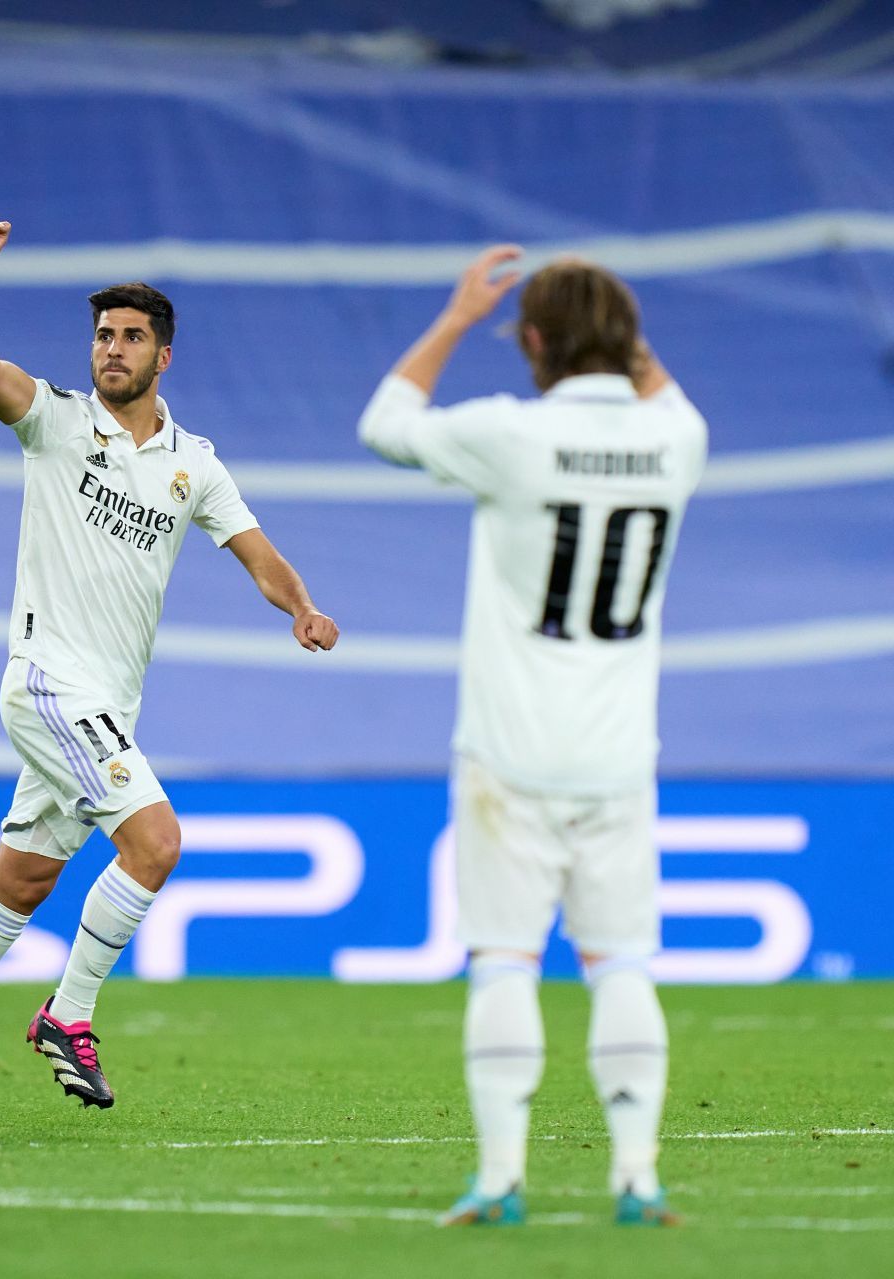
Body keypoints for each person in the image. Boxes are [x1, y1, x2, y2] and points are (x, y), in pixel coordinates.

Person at [0, 216, 340, 1124]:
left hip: (105, 705)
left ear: (164, 357)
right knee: (157, 843)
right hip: (47, 683)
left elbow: (257, 553)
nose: (110, 349)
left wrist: (301, 606)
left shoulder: (191, 464)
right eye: (102, 335)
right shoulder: (56, 422)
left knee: (25, 880)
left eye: (129, 337)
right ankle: (68, 1015)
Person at [358, 247, 706, 1227]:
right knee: (622, 963)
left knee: (507, 960)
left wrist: (461, 314)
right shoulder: (679, 439)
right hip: (618, 754)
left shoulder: (509, 435)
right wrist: (613, 328)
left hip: (508, 753)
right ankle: (636, 1177)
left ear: (533, 341)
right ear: (629, 343)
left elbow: (384, 423)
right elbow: (661, 393)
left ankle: (502, 1177)